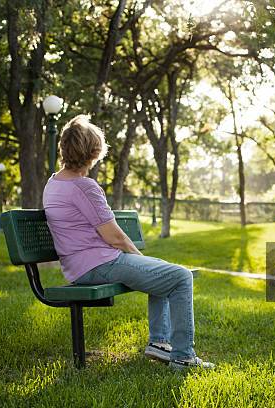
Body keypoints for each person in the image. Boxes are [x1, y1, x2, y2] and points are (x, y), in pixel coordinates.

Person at [42, 114, 214, 370]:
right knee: (180, 277)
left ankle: (159, 344)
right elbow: (115, 236)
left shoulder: (53, 182)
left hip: (81, 265)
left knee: (165, 272)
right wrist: (138, 259)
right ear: (93, 151)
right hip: (98, 265)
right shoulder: (84, 187)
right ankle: (183, 357)